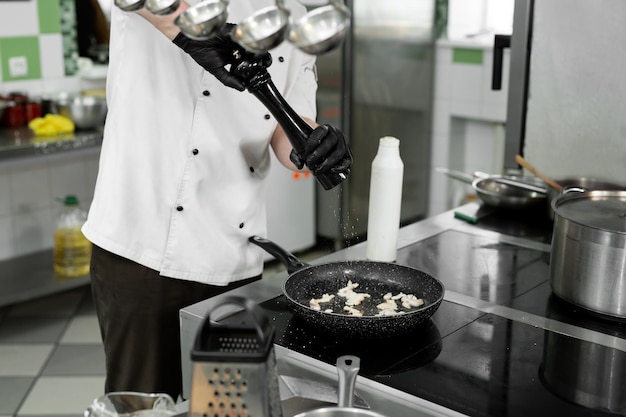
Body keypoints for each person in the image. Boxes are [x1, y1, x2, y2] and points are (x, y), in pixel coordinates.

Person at [82, 0, 352, 402]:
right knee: (141, 403)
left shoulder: (293, 18)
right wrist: (188, 30)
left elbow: (285, 128)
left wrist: (311, 144)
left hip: (233, 252)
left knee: (223, 406)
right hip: (141, 243)